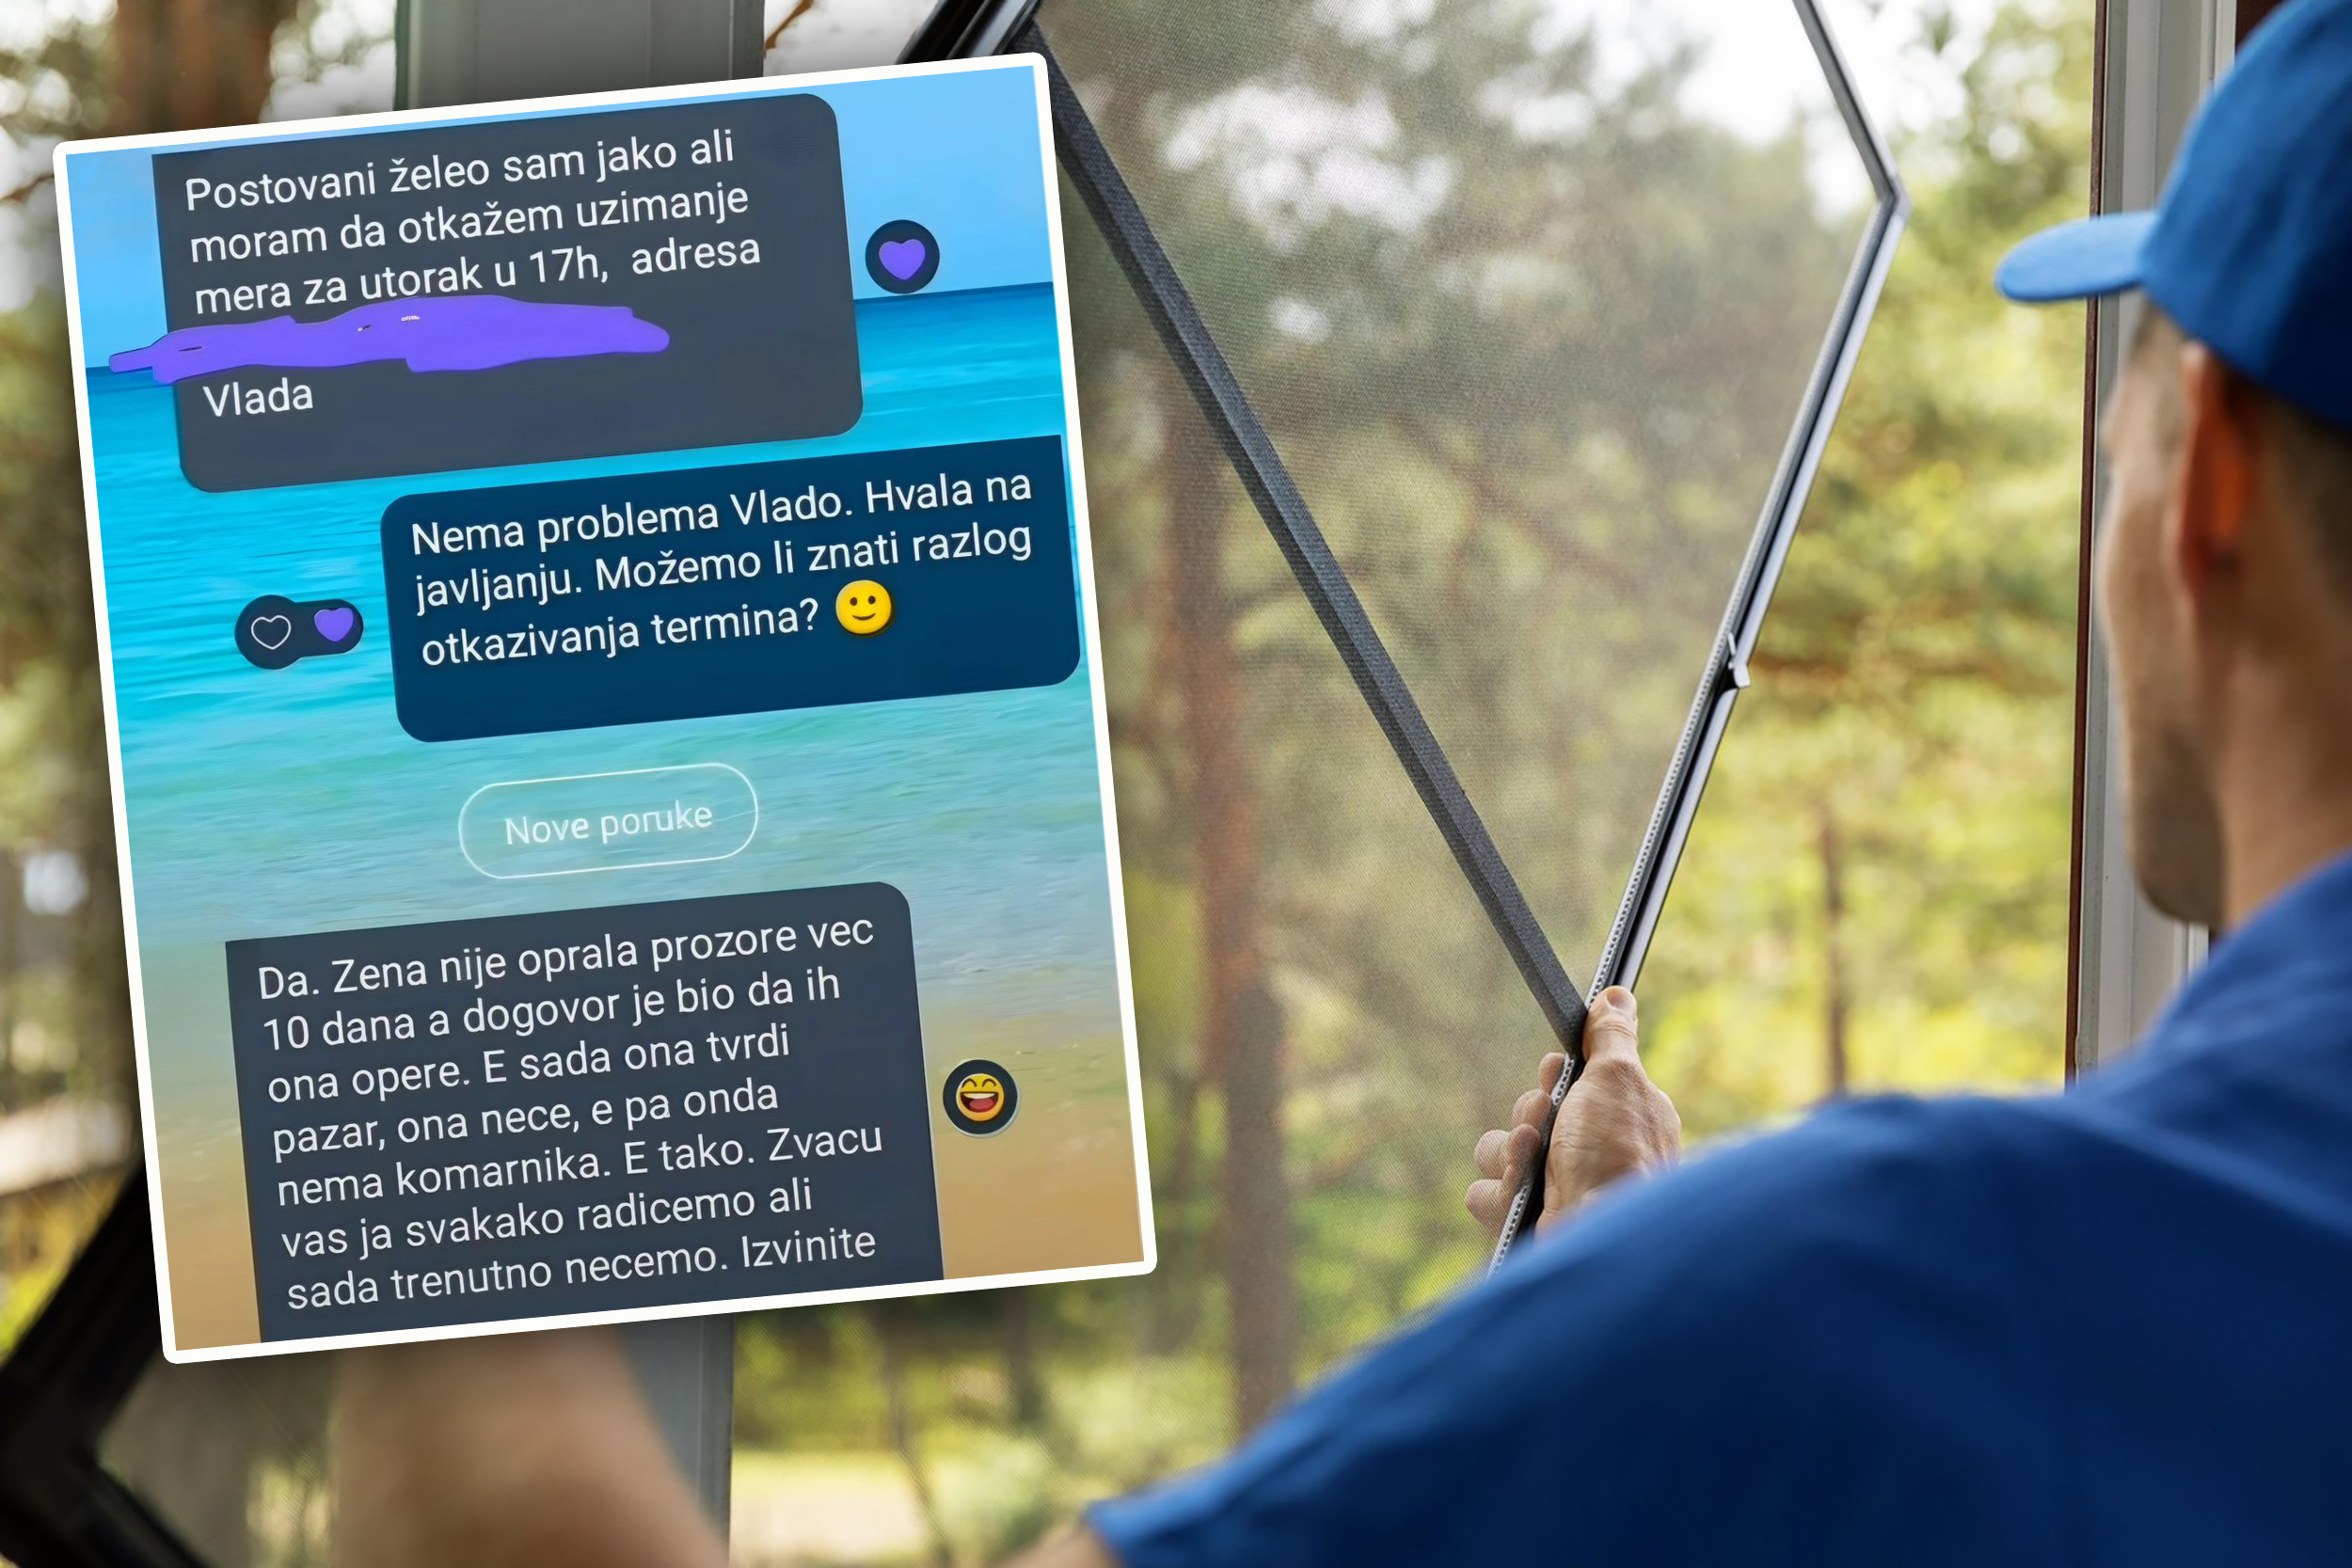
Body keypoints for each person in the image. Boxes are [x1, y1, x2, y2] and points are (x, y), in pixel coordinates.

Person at [338, 0, 2352, 1560]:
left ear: (2208, 483)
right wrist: (1622, 1333)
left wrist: (449, 1098)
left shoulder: (1906, 1310)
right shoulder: (1932, 1325)